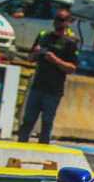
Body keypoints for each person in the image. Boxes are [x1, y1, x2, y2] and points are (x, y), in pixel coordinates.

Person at [17, 8, 78, 144]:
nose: (57, 22)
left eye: (60, 19)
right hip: (38, 85)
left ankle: (44, 146)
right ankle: (21, 144)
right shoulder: (44, 36)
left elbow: (72, 67)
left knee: (47, 122)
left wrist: (56, 60)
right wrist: (36, 53)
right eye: (55, 18)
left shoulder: (70, 42)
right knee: (28, 119)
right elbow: (29, 58)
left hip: (54, 89)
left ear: (67, 21)